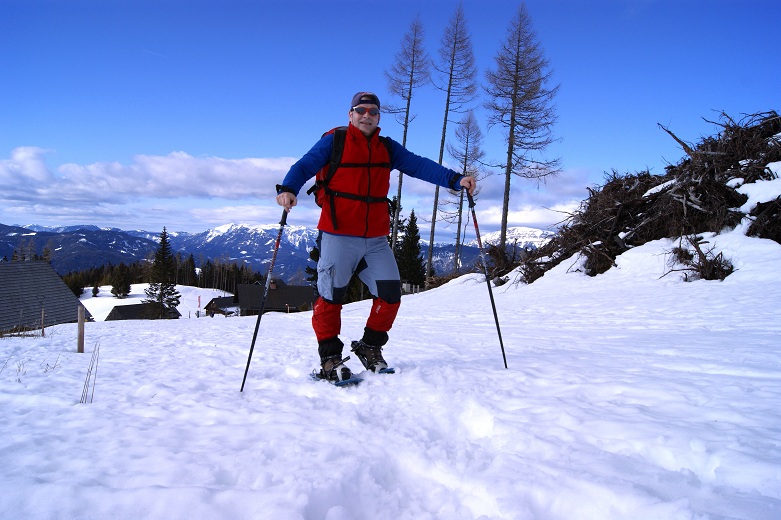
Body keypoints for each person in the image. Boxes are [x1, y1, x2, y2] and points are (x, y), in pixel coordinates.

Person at [276, 91, 476, 382]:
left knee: (391, 294)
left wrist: (454, 180)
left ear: (378, 117)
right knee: (330, 298)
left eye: (372, 111)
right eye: (360, 110)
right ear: (351, 114)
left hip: (375, 241)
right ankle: (330, 358)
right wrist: (288, 188)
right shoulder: (335, 142)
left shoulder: (386, 147)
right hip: (337, 234)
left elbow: (419, 165)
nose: (366, 115)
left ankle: (369, 347)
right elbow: (305, 165)